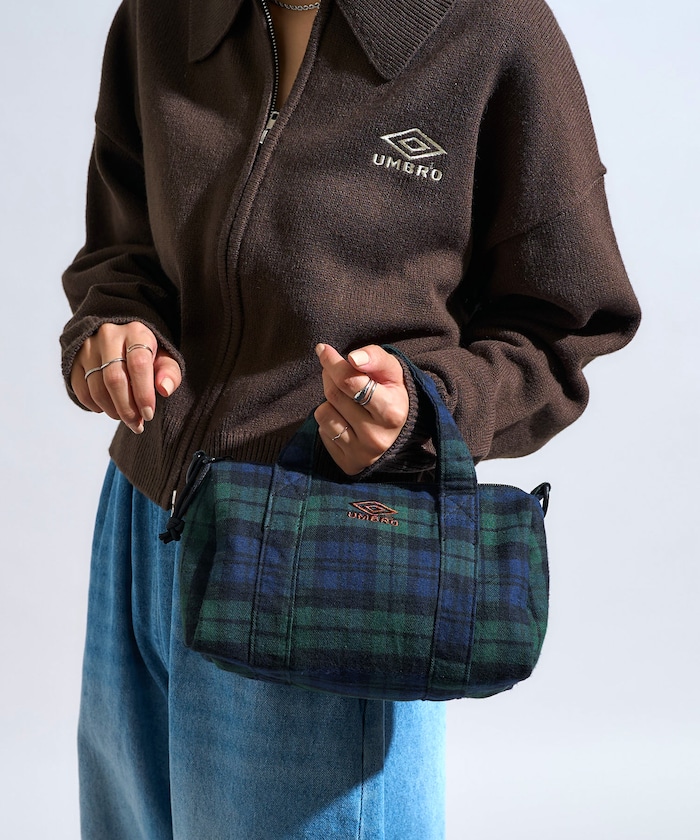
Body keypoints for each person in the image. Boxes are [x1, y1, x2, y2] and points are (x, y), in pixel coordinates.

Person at [60, 0, 641, 837]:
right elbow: (123, 251)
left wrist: (430, 408)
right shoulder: (161, 14)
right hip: (140, 525)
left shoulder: (492, 27)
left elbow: (569, 323)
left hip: (330, 553)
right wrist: (113, 328)